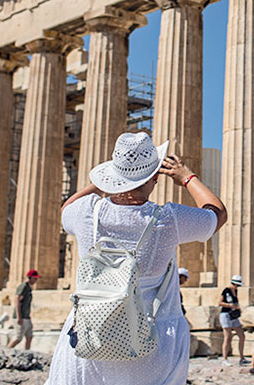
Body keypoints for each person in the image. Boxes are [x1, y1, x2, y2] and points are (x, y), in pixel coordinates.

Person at [45, 132, 227, 385]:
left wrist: (102, 183)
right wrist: (187, 178)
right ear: (154, 177)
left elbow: (67, 207)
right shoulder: (168, 219)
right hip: (150, 342)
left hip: (88, 336)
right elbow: (216, 214)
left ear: (112, 176)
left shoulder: (86, 212)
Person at [8, 269, 39, 350]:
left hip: (26, 317)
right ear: (30, 277)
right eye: (35, 278)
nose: (36, 280)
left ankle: (27, 353)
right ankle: (6, 351)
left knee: (29, 336)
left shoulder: (29, 288)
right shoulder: (23, 286)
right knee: (18, 338)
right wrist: (19, 316)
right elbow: (17, 300)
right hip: (21, 317)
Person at [219, 275, 247, 365]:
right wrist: (230, 305)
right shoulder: (226, 290)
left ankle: (242, 357)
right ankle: (225, 359)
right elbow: (220, 302)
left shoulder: (236, 291)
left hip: (233, 316)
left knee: (241, 335)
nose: (237, 287)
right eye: (237, 285)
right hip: (225, 315)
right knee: (227, 337)